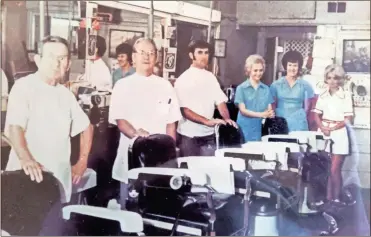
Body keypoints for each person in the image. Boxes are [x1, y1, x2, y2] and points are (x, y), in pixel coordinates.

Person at [3, 36, 94, 234]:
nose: (57, 63)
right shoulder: (24, 87)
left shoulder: (65, 95)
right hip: (27, 183)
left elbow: (87, 127)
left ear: (69, 63)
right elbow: (15, 127)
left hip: (58, 185)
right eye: (52, 57)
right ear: (38, 59)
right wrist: (26, 159)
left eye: (62, 58)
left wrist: (82, 162)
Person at [109, 38, 182, 208]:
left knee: (158, 207)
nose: (147, 57)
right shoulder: (122, 85)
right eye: (142, 53)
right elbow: (120, 120)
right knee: (130, 207)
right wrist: (137, 135)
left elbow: (171, 123)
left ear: (156, 58)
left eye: (151, 53)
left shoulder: (165, 86)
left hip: (161, 159)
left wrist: (171, 150)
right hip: (131, 155)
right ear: (133, 57)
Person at [174, 40, 237, 157]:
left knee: (208, 171)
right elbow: (184, 110)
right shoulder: (183, 79)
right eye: (200, 52)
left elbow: (220, 102)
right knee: (191, 173)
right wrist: (207, 121)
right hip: (189, 136)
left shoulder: (211, 77)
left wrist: (227, 119)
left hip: (209, 135)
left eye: (206, 53)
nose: (204, 56)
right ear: (191, 55)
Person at [313, 64, 354, 207]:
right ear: (326, 79)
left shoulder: (346, 95)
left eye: (335, 78)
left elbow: (348, 118)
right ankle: (327, 197)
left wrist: (334, 127)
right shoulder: (322, 95)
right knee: (324, 168)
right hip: (324, 131)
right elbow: (316, 115)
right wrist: (322, 127)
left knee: (334, 169)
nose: (332, 81)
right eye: (329, 78)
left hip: (339, 132)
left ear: (340, 80)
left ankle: (336, 197)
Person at [270, 50, 315, 132]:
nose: (292, 68)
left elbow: (307, 109)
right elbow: (272, 106)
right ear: (285, 66)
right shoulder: (275, 85)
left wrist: (299, 118)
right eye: (290, 65)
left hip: (299, 122)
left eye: (295, 65)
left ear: (299, 67)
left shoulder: (306, 85)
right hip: (280, 121)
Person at [234, 55, 275, 142]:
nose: (258, 73)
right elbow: (243, 111)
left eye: (261, 70)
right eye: (255, 70)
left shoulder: (266, 89)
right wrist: (261, 114)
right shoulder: (241, 88)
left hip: (259, 129)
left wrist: (270, 114)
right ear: (249, 70)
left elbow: (269, 110)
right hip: (244, 128)